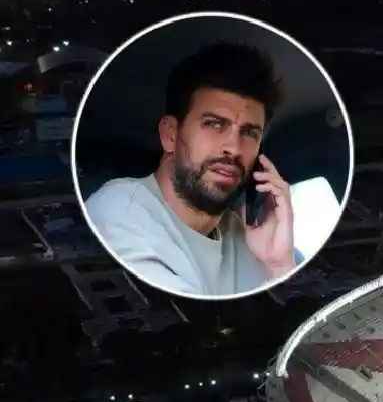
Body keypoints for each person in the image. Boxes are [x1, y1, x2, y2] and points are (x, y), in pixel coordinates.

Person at [85, 42, 296, 297]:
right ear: (170, 135)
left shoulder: (250, 242)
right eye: (214, 124)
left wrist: (278, 265)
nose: (234, 148)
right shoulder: (120, 208)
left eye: (249, 133)